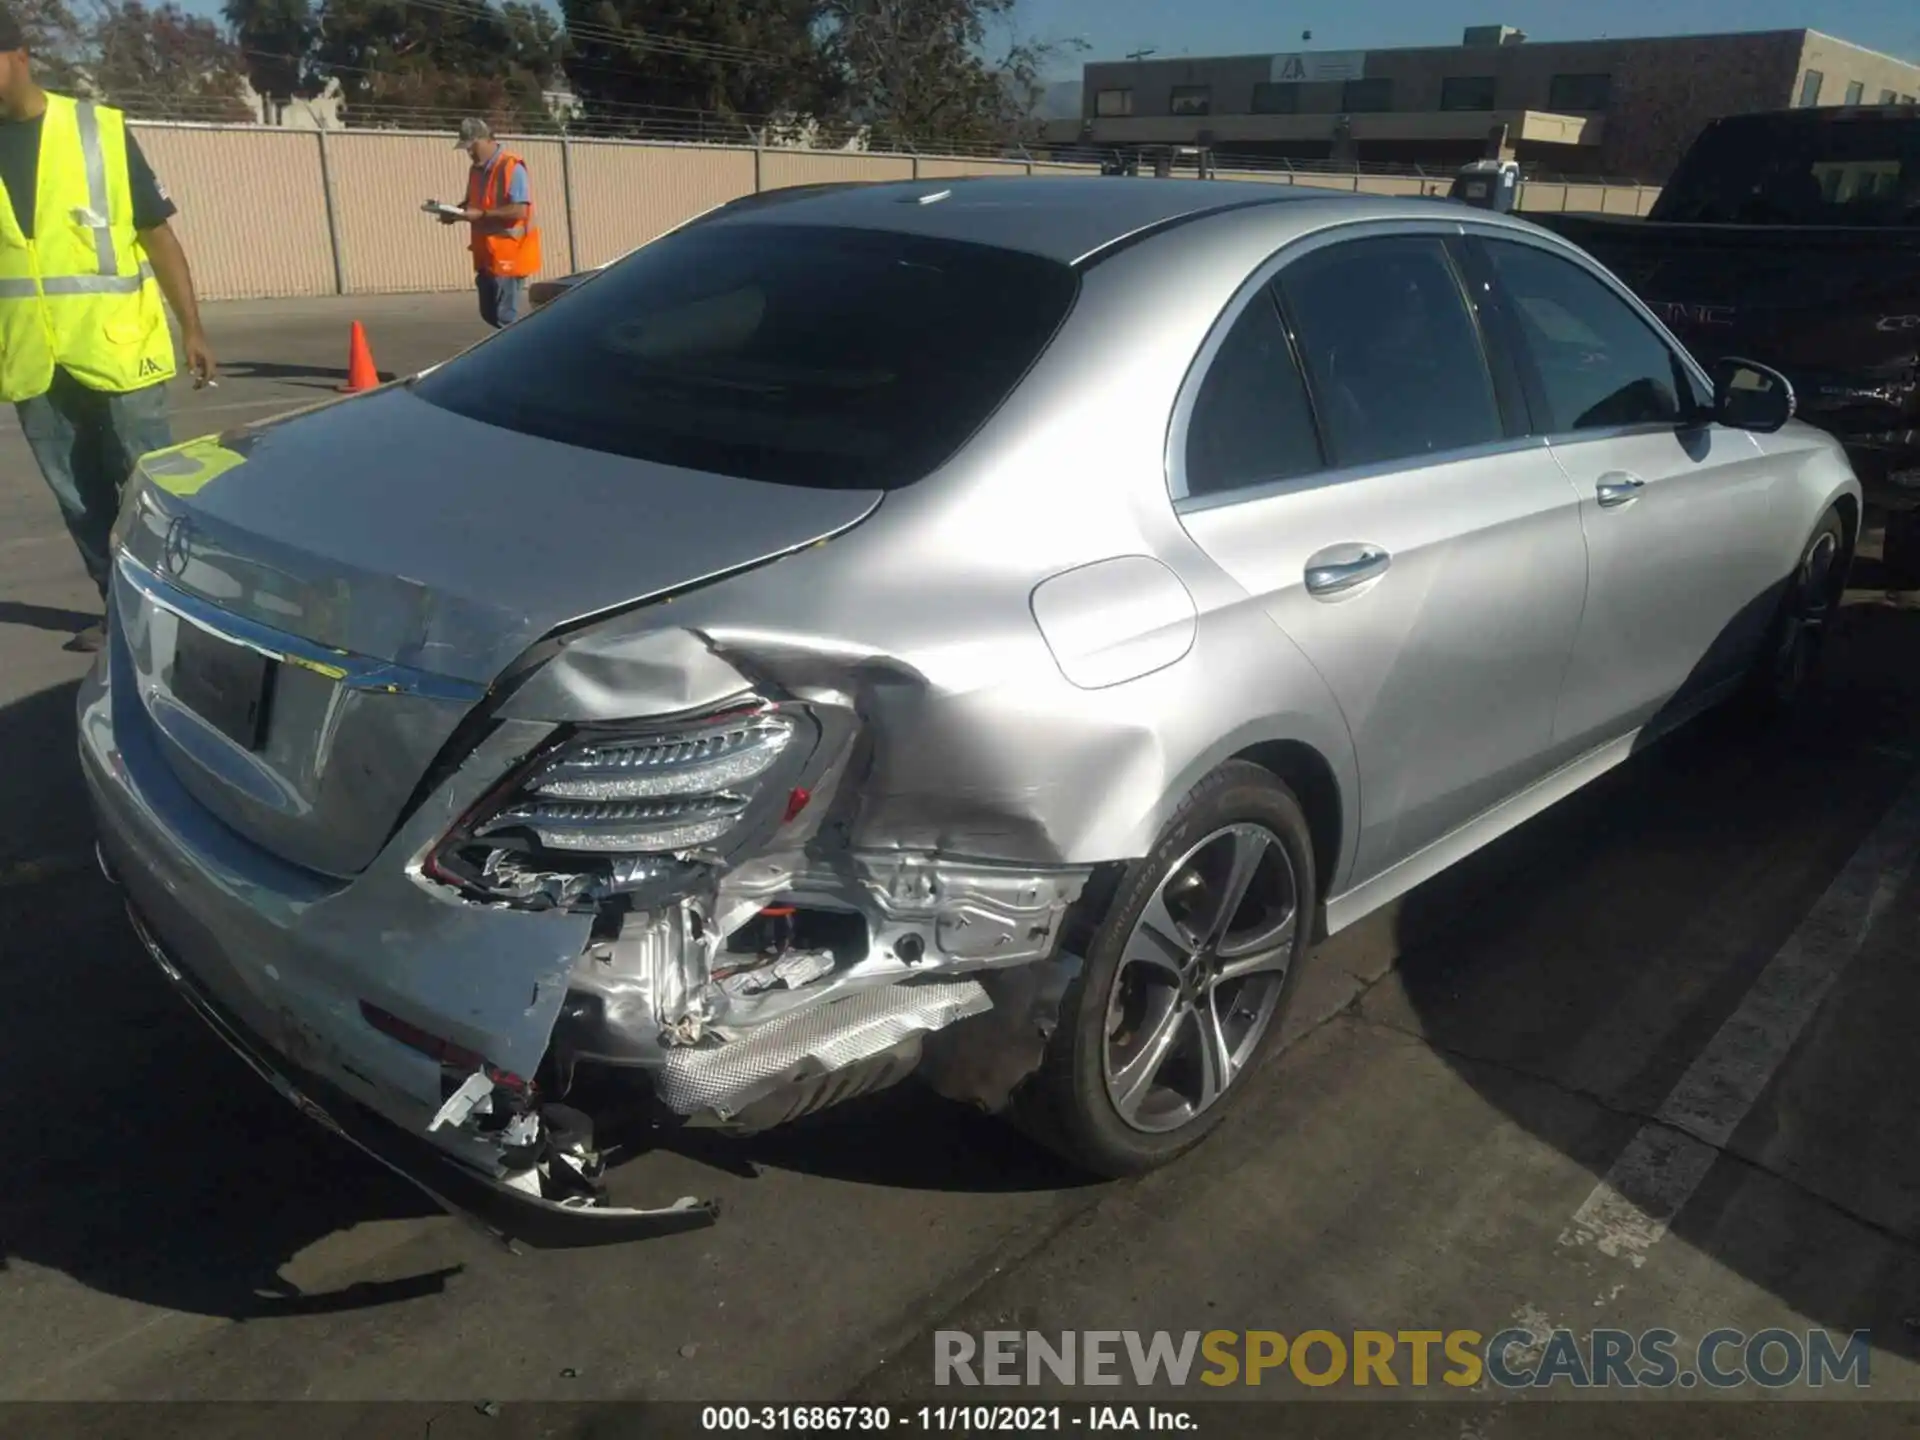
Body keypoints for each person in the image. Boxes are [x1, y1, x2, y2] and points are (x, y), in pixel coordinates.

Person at [0, 10, 214, 652]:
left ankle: (188, 612)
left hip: (120, 350)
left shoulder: (97, 130)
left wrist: (193, 328)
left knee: (150, 490)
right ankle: (117, 608)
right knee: (79, 497)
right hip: (34, 360)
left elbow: (156, 234)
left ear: (17, 55)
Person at [445, 117, 541, 329]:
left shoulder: (511, 166)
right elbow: (473, 204)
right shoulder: (476, 170)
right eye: (466, 149)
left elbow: (520, 209)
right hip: (486, 255)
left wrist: (480, 215)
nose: (469, 153)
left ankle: (517, 353)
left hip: (509, 254)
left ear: (486, 139)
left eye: (473, 147)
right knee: (490, 314)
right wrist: (455, 213)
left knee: (504, 318)